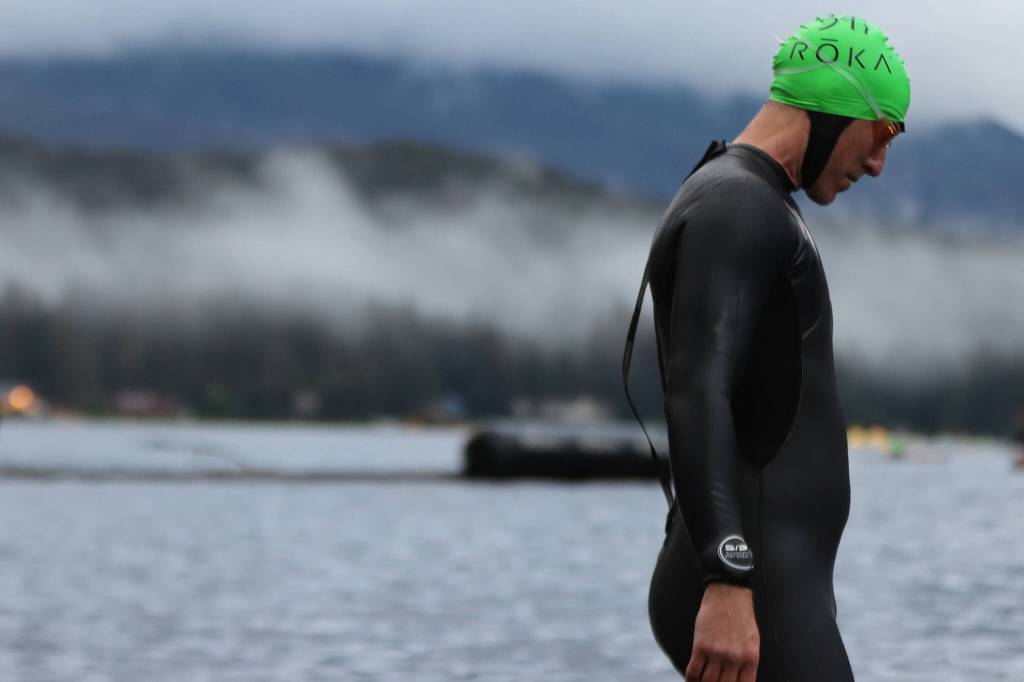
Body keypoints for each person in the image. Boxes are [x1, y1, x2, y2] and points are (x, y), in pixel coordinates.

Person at [622, 15, 911, 681]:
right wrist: (727, 577)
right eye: (883, 134)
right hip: (751, 582)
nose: (876, 164)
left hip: (768, 580)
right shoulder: (738, 206)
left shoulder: (748, 196)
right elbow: (698, 389)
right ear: (837, 107)